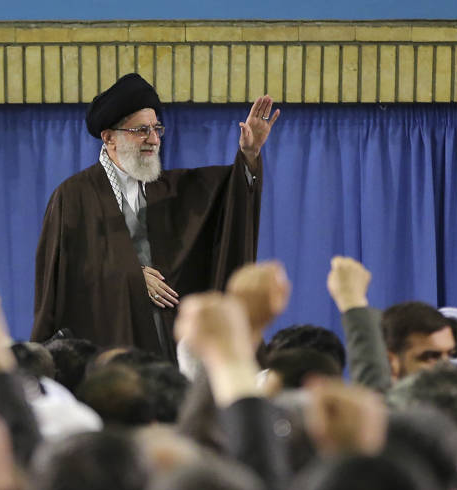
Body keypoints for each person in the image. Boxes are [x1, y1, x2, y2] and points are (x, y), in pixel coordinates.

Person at [32, 73, 279, 360]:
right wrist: (131, 276)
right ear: (110, 137)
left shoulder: (170, 189)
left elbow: (230, 194)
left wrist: (249, 155)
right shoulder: (73, 196)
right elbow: (63, 278)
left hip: (167, 345)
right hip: (109, 347)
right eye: (141, 130)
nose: (153, 139)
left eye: (156, 128)